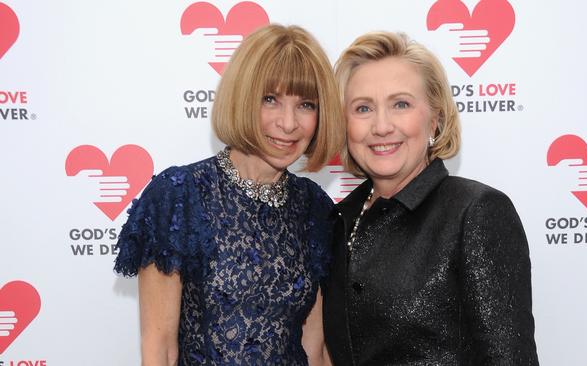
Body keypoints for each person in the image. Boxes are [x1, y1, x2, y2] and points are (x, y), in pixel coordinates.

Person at [114, 24, 343, 365]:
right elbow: (159, 348)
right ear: (242, 98)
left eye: (306, 105)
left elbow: (315, 348)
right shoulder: (180, 196)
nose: (289, 122)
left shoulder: (315, 208)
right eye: (271, 99)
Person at [322, 32, 539, 365]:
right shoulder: (335, 220)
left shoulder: (474, 212)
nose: (381, 126)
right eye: (363, 108)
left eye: (401, 104)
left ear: (434, 118)